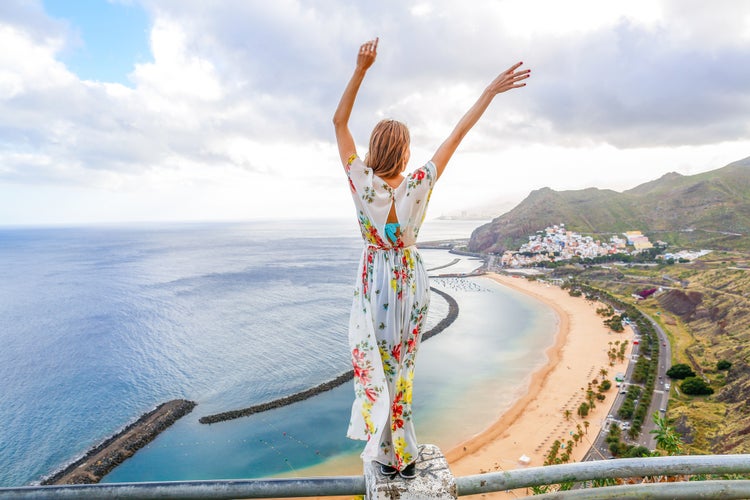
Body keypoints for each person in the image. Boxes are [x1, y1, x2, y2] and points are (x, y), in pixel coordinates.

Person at [333, 37, 530, 479]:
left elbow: (338, 120)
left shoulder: (360, 180)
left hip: (375, 281)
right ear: (403, 150)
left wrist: (361, 69)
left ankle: (385, 451)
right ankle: (402, 454)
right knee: (403, 368)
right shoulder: (419, 181)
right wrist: (489, 93)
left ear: (373, 147)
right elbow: (458, 132)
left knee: (374, 362)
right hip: (409, 280)